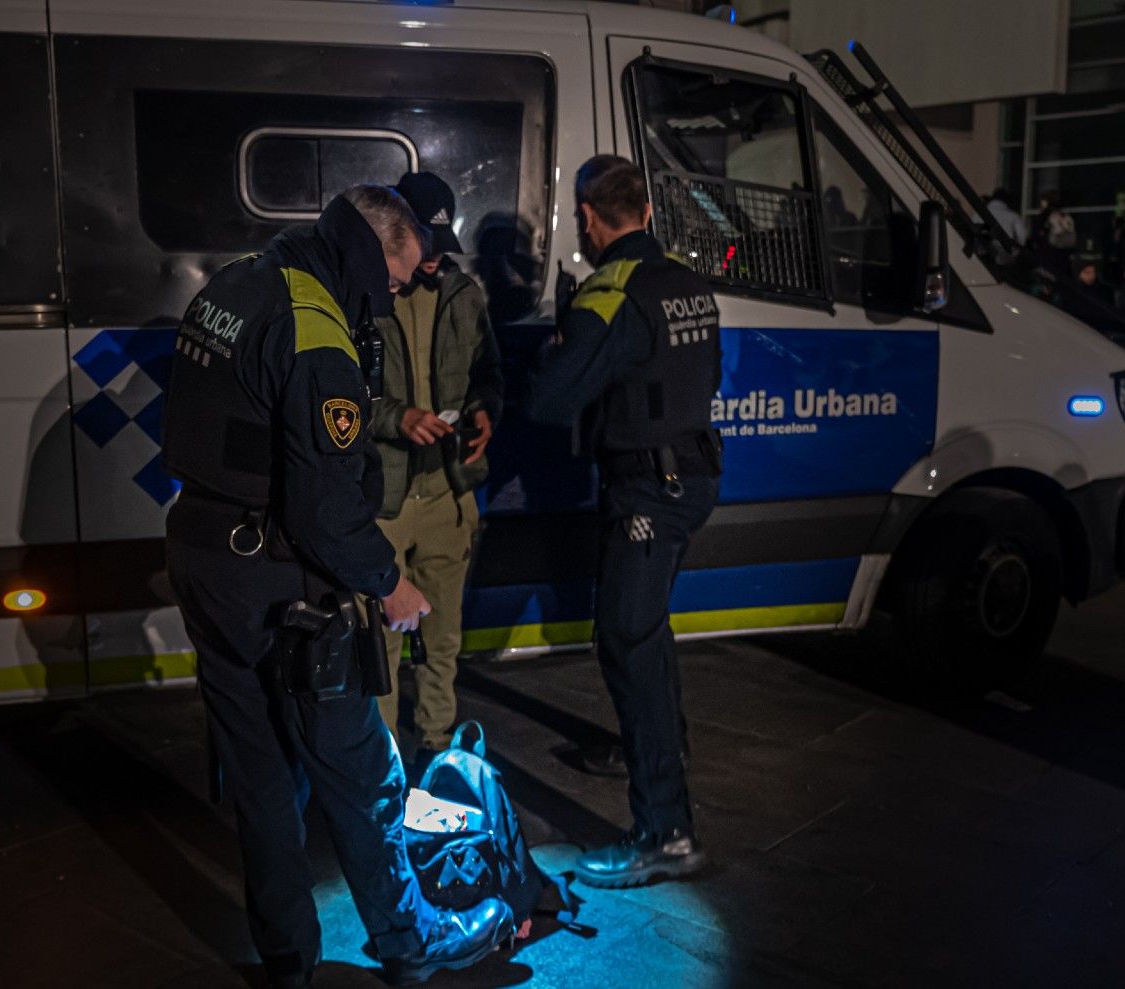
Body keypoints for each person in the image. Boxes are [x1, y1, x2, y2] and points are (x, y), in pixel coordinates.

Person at [160, 186, 512, 987]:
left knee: (258, 771)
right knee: (362, 768)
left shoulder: (240, 280)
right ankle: (410, 938)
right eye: (396, 275)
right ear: (373, 248)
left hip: (203, 553)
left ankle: (285, 952)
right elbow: (321, 506)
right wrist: (389, 583)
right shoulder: (316, 327)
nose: (396, 290)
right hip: (279, 580)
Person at [524, 155, 722, 889]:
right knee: (648, 633)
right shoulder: (687, 281)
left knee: (627, 641)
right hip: (692, 476)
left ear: (588, 216)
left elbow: (549, 400)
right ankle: (659, 750)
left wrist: (558, 351)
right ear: (643, 209)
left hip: (647, 488)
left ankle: (665, 831)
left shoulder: (613, 292)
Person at [369, 171, 502, 763]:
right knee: (382, 648)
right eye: (424, 243)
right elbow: (340, 401)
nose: (431, 261)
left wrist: (482, 415)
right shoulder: (367, 298)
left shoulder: (463, 294)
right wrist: (398, 418)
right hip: (385, 503)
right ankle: (385, 763)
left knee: (444, 641)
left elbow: (488, 378)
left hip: (448, 493)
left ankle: (439, 748)